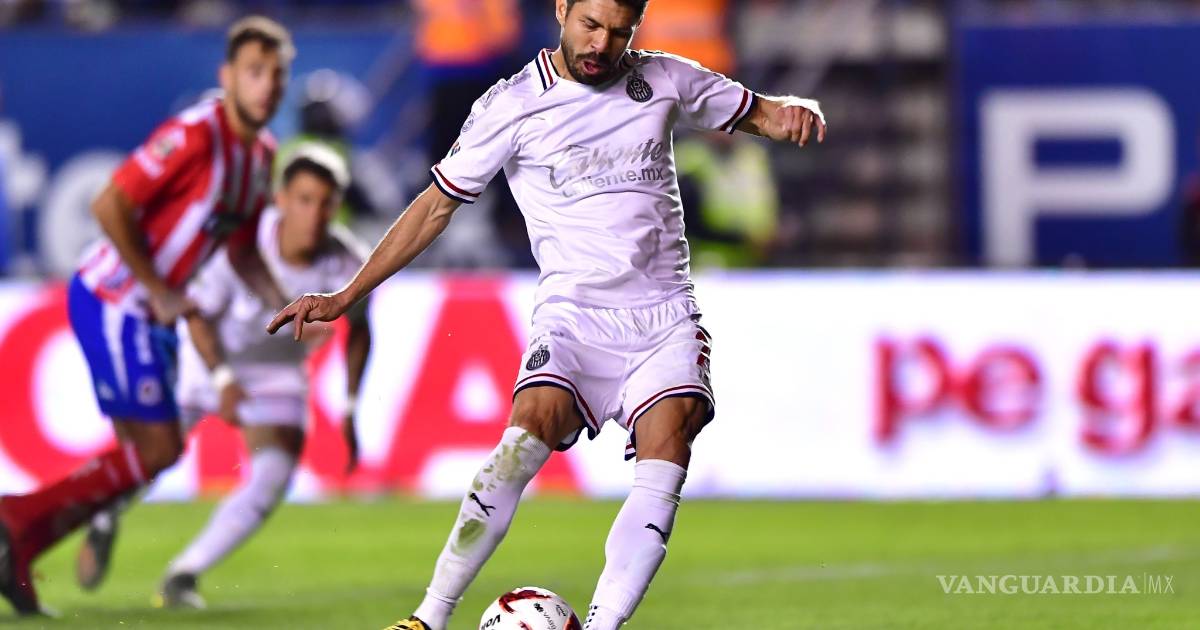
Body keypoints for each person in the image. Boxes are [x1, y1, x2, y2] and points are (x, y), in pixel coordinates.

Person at [267, 1, 825, 628]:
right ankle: (428, 617)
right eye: (590, 25)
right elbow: (434, 208)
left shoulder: (666, 78)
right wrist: (346, 295)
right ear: (561, 9)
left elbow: (760, 112)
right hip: (573, 318)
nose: (602, 44)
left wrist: (793, 114)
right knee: (521, 439)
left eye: (619, 31)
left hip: (663, 317)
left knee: (669, 443)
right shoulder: (511, 105)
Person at [0, 15, 293, 615]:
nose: (266, 86)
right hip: (118, 298)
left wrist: (283, 301)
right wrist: (159, 288)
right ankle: (14, 518)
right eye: (254, 71)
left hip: (152, 313)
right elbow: (108, 203)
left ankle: (20, 544)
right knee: (157, 450)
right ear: (227, 76)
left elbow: (240, 249)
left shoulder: (261, 155)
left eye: (276, 75)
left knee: (142, 458)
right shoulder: (196, 134)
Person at [83, 145, 372, 608]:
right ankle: (105, 515)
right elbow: (197, 317)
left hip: (278, 371)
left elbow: (359, 329)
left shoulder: (348, 262)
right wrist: (221, 381)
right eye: (304, 200)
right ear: (280, 199)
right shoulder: (242, 245)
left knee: (275, 472)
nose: (315, 214)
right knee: (154, 453)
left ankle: (184, 574)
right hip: (206, 361)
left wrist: (351, 406)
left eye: (326, 203)